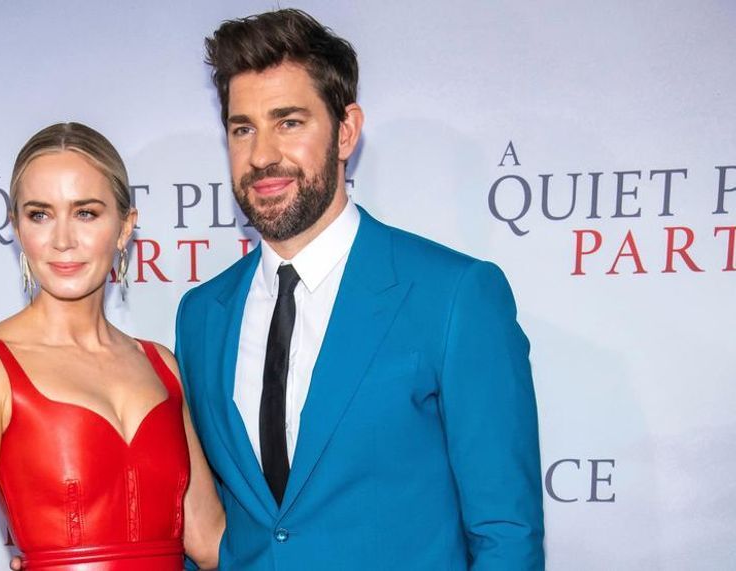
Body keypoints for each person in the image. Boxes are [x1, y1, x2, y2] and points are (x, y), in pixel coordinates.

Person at [174, 9, 544, 569]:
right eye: (242, 127)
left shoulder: (454, 297)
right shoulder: (202, 315)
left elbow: (505, 536)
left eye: (289, 122)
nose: (262, 155)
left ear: (345, 131)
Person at [0, 122, 223, 570]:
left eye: (86, 213)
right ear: (17, 229)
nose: (63, 240)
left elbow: (208, 540)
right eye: (40, 214)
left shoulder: (160, 365)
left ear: (125, 228)